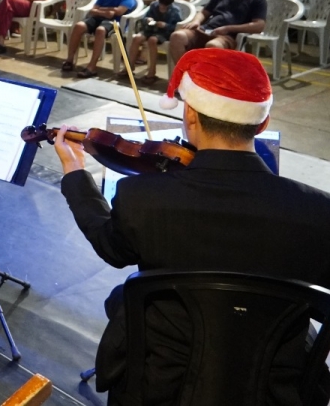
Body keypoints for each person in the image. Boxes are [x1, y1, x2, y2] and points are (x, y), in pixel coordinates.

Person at [54, 48, 330, 404]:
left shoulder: (142, 197)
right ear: (262, 124)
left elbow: (112, 248)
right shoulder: (319, 211)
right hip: (275, 391)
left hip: (160, 385)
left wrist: (76, 175)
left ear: (190, 115)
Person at [168, 0, 266, 69]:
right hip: (205, 30)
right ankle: (184, 73)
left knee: (213, 46)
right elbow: (204, 12)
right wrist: (196, 21)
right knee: (177, 36)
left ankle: (206, 77)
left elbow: (259, 25)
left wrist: (228, 28)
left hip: (227, 36)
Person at [62, 0, 136, 78]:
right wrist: (107, 11)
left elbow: (120, 11)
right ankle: (69, 60)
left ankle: (92, 67)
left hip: (114, 22)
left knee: (100, 30)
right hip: (99, 18)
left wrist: (103, 10)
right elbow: (93, 10)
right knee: (79, 26)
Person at [125, 0, 181, 84]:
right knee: (137, 38)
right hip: (150, 29)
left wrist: (165, 25)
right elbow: (145, 17)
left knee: (152, 40)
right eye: (161, 4)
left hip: (164, 33)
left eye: (165, 6)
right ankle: (129, 66)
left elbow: (177, 26)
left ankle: (152, 72)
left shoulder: (175, 11)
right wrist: (148, 19)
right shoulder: (154, 6)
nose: (162, 7)